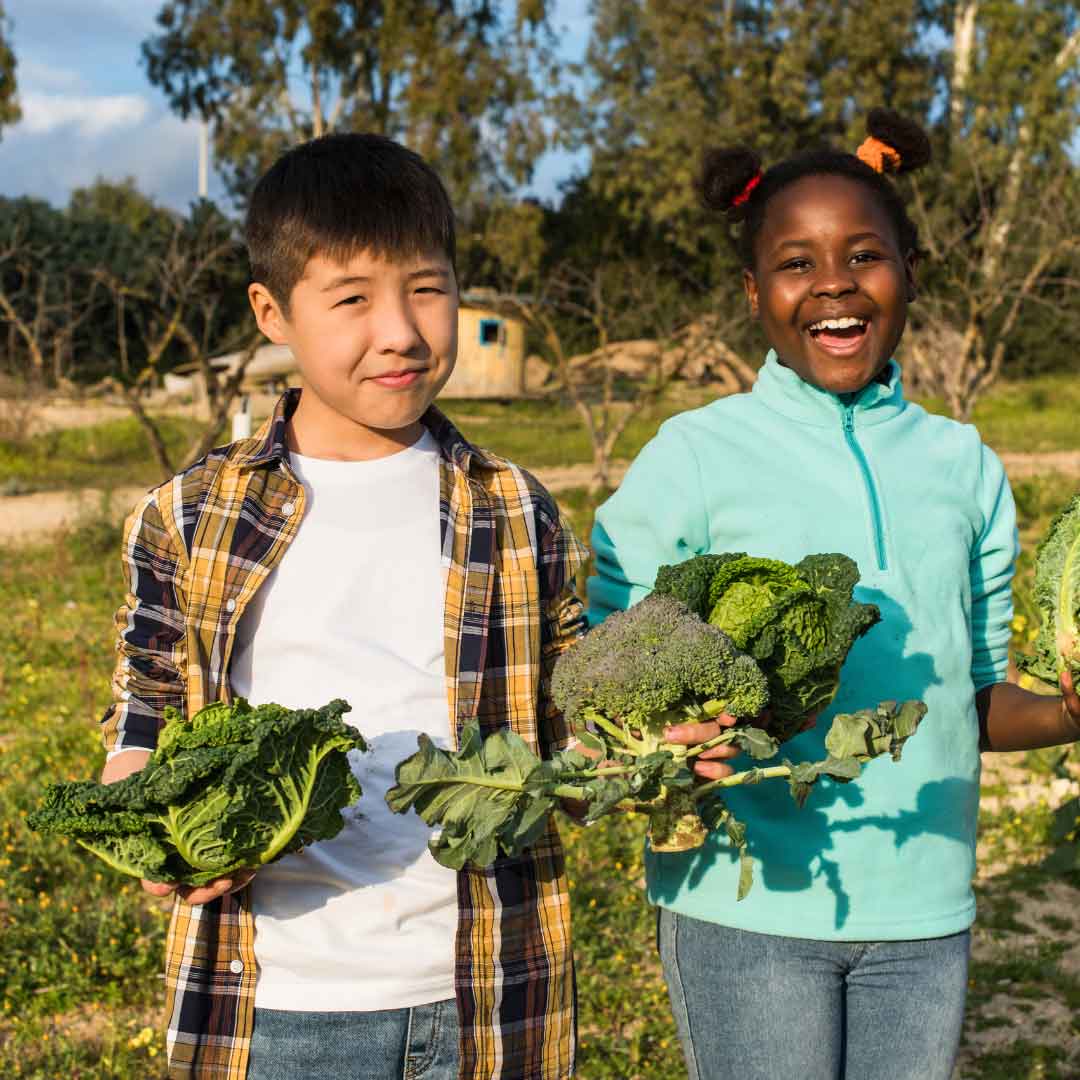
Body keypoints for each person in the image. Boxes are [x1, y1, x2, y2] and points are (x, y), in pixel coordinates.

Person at [587, 110, 1080, 1080]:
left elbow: (977, 700)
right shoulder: (694, 456)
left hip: (925, 909)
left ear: (910, 271)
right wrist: (660, 746)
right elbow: (606, 660)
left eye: (864, 255)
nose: (833, 286)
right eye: (796, 263)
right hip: (746, 905)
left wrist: (1070, 713)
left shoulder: (965, 465)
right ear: (753, 293)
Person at [98, 132, 587, 1080]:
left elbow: (570, 705)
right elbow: (146, 703)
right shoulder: (191, 516)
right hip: (278, 1003)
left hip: (490, 988)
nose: (401, 330)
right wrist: (144, 812)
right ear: (273, 311)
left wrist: (651, 735)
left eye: (428, 288)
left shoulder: (515, 509)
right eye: (353, 298)